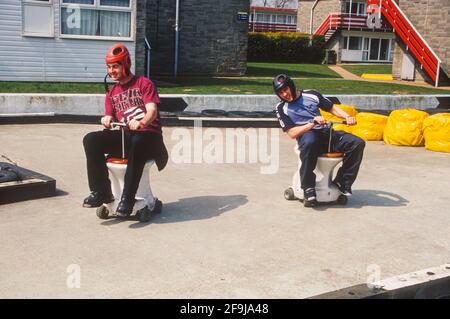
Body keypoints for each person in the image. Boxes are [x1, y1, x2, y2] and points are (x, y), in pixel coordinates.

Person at [82, 43, 168, 216]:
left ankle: (128, 199)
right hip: (126, 137)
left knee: (138, 140)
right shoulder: (112, 93)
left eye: (115, 66)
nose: (112, 71)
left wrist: (142, 122)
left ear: (126, 64)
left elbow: (152, 110)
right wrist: (107, 119)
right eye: (109, 67)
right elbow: (110, 118)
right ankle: (101, 192)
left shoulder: (144, 84)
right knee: (91, 139)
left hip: (149, 137)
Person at [273, 74, 365, 207]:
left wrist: (347, 116)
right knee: (311, 140)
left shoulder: (312, 94)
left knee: (357, 143)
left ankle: (342, 182)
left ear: (291, 86)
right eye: (280, 92)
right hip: (307, 135)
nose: (284, 94)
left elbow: (331, 108)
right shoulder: (281, 108)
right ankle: (308, 187)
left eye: (285, 89)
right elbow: (292, 133)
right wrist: (311, 123)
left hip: (326, 134)